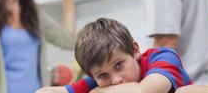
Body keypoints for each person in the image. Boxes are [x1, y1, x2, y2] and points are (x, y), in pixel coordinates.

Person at [36, 18, 192, 93]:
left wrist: (97, 91)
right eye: (103, 75)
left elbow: (142, 92)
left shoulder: (163, 58)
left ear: (135, 50)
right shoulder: (99, 81)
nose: (116, 80)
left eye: (119, 65)